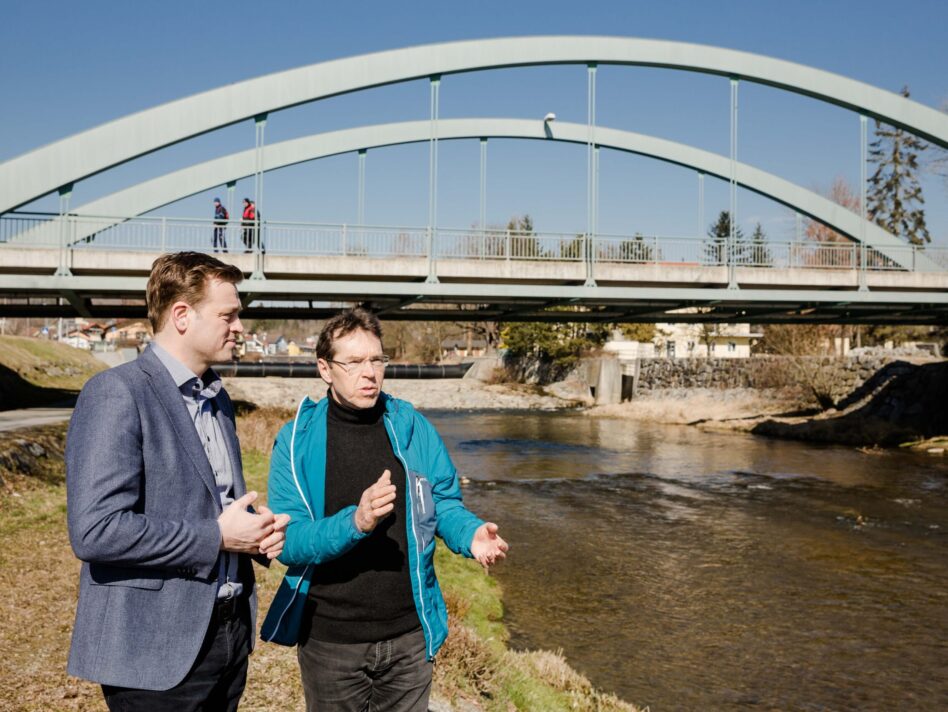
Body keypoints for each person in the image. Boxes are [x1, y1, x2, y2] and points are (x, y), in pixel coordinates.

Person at [66, 251, 290, 711]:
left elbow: (208, 505)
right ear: (182, 315)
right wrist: (219, 536)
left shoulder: (217, 397)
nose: (239, 327)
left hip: (228, 636)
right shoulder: (116, 393)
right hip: (154, 647)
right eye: (228, 315)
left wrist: (253, 532)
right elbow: (95, 531)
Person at [261, 307, 508, 712]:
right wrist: (355, 522)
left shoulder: (410, 424)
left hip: (410, 636)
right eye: (354, 362)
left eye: (377, 360)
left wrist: (471, 533)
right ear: (325, 369)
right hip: (331, 641)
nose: (369, 373)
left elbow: (442, 501)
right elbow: (288, 541)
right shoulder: (295, 441)